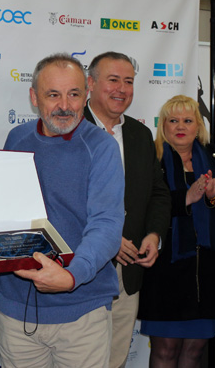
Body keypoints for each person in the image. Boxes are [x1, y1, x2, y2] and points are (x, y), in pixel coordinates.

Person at [0, 53, 124, 368]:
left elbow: (106, 224)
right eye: (53, 95)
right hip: (17, 311)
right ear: (34, 97)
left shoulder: (102, 147)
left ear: (86, 94)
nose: (64, 105)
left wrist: (71, 276)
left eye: (74, 94)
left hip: (82, 311)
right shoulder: (17, 138)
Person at [137, 94, 215, 368]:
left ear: (198, 126)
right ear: (163, 125)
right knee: (165, 351)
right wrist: (186, 197)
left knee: (195, 352)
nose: (180, 126)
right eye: (173, 120)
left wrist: (213, 196)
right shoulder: (152, 156)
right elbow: (143, 205)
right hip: (165, 269)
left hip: (205, 271)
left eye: (187, 120)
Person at [83, 51, 170, 368]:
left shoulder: (140, 134)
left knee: (116, 358)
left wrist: (154, 234)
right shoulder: (70, 129)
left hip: (128, 271)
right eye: (113, 80)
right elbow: (61, 201)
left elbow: (158, 193)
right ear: (91, 83)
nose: (122, 89)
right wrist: (107, 239)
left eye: (129, 81)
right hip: (83, 271)